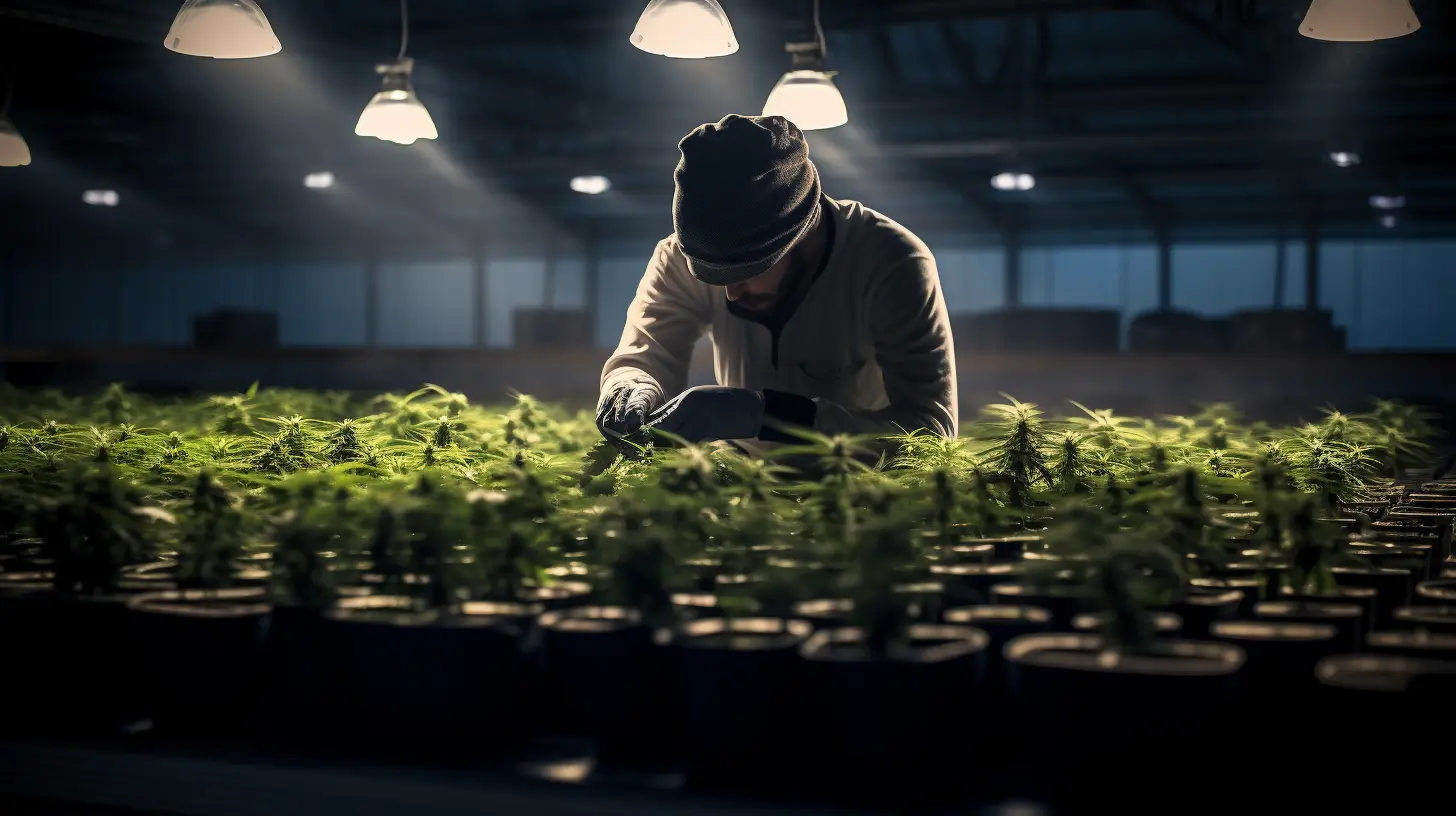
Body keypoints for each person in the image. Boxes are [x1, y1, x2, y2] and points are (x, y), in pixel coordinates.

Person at [596, 113, 957, 454]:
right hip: (740, 489)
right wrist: (629, 386)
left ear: (800, 233)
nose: (731, 294)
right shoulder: (680, 257)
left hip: (863, 498)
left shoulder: (891, 261)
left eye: (747, 272)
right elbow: (646, 352)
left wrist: (769, 415)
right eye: (711, 276)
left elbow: (930, 431)